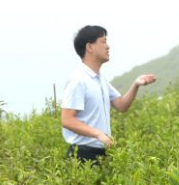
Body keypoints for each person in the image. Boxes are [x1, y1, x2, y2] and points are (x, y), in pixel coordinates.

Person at [61, 25, 156, 162]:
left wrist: (136, 84)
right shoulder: (78, 79)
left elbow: (121, 105)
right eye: (103, 42)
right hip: (82, 154)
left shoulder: (100, 79)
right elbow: (67, 120)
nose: (108, 46)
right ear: (90, 47)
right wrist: (98, 134)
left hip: (102, 153)